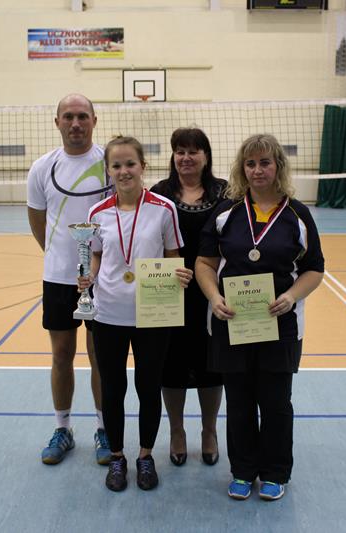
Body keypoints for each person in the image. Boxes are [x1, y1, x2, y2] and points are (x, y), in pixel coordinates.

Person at [195, 134, 325, 502]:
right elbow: (204, 263)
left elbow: (315, 269)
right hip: (231, 323)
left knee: (275, 403)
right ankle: (242, 470)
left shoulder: (298, 214)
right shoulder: (227, 212)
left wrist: (291, 296)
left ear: (278, 166)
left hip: (280, 325)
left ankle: (274, 472)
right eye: (250, 163)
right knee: (238, 402)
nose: (257, 170)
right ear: (242, 169)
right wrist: (214, 297)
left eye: (265, 162)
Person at [79, 136, 193, 492]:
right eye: (116, 165)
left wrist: (181, 274)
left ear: (143, 166)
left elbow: (173, 256)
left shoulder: (164, 209)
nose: (124, 171)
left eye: (130, 163)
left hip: (152, 315)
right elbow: (96, 255)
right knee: (113, 388)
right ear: (108, 171)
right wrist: (89, 276)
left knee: (148, 387)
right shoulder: (97, 214)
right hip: (109, 314)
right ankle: (117, 456)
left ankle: (145, 456)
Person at [26, 94, 112, 466]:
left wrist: (97, 266)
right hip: (59, 279)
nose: (75, 123)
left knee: (100, 357)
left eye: (82, 116)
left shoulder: (110, 164)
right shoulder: (42, 168)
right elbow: (37, 220)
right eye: (68, 117)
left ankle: (104, 428)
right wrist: (61, 259)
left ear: (94, 120)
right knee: (61, 355)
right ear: (57, 122)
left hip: (103, 278)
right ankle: (63, 428)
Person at [150, 128, 228, 467]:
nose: (186, 157)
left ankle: (209, 431)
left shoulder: (226, 192)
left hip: (213, 293)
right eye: (180, 151)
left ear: (206, 156)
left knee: (212, 364)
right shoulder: (159, 193)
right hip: (169, 293)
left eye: (193, 151)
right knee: (172, 365)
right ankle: (177, 431)